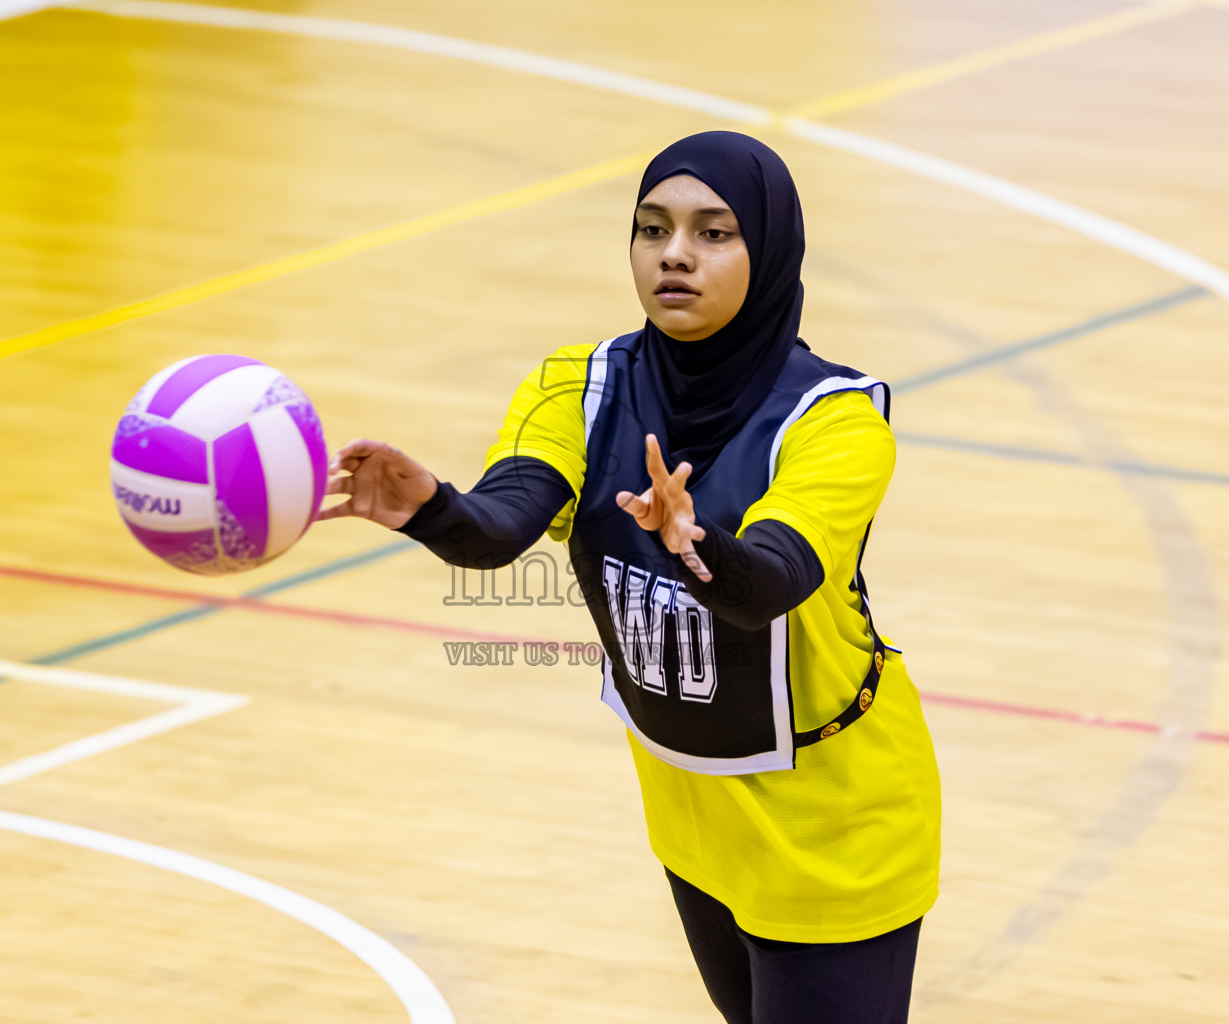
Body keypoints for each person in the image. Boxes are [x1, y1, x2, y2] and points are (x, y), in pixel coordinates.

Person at [317, 131, 942, 1024]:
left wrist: (700, 547)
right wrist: (431, 510)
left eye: (714, 233)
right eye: (652, 229)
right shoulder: (578, 385)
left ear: (769, 255)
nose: (674, 254)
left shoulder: (834, 423)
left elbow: (768, 581)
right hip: (693, 817)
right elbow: (504, 522)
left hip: (837, 824)